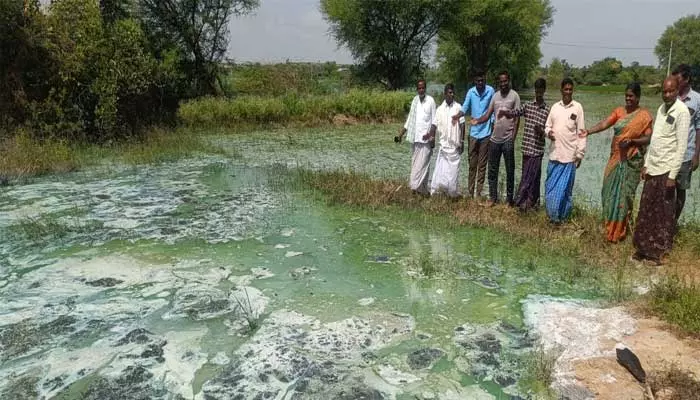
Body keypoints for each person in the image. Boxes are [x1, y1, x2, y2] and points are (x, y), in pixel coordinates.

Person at [579, 83, 653, 243]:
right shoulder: (619, 112)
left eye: (631, 96)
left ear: (638, 97)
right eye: (626, 95)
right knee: (607, 191)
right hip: (615, 158)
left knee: (625, 196)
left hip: (632, 161)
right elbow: (605, 123)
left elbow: (648, 138)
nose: (628, 98)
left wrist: (632, 141)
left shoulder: (645, 116)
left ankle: (620, 232)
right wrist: (588, 131)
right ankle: (608, 228)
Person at [633, 77, 690, 265]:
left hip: (667, 169)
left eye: (671, 91)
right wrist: (646, 163)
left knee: (663, 213)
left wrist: (673, 176)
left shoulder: (682, 112)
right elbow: (655, 138)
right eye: (664, 92)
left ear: (677, 90)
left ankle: (659, 254)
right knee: (646, 208)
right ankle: (643, 249)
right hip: (654, 166)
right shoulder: (661, 109)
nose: (667, 95)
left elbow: (681, 146)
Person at [471, 70, 521, 206]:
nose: (503, 84)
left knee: (510, 170)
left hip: (507, 140)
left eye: (505, 81)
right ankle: (493, 198)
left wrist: (513, 137)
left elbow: (517, 119)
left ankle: (509, 200)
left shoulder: (514, 96)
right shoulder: (495, 96)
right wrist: (478, 120)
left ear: (508, 81)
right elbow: (487, 115)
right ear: (498, 82)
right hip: (494, 139)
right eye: (501, 81)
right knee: (492, 170)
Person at [544, 78, 586, 224]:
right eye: (565, 89)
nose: (568, 92)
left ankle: (561, 219)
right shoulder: (555, 107)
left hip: (569, 157)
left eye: (570, 89)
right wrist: (548, 133)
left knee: (565, 191)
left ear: (572, 90)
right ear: (561, 90)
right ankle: (552, 217)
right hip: (555, 154)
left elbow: (581, 132)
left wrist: (580, 154)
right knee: (550, 187)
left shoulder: (577, 108)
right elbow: (547, 126)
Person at [506, 78, 550, 212]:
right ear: (534, 90)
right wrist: (505, 112)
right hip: (526, 148)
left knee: (534, 178)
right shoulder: (528, 106)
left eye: (541, 91)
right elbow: (516, 112)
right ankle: (522, 201)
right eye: (537, 90)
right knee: (526, 175)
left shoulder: (548, 110)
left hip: (537, 150)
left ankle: (531, 202)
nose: (538, 93)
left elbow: (548, 132)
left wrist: (541, 131)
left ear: (544, 91)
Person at [451, 71, 495, 199]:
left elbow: (492, 111)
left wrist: (492, 125)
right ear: (474, 81)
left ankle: (479, 193)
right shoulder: (471, 92)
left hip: (486, 134)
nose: (480, 83)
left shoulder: (490, 91)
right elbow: (465, 106)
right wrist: (458, 115)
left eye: (482, 80)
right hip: (474, 134)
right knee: (472, 165)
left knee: (482, 166)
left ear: (485, 80)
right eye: (477, 81)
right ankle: (470, 193)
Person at [423, 84, 465, 196]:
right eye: (450, 92)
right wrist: (431, 137)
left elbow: (462, 125)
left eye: (453, 92)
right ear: (445, 94)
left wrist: (462, 141)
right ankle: (438, 193)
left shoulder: (458, 108)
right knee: (440, 173)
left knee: (453, 173)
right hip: (443, 146)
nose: (452, 94)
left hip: (454, 146)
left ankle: (452, 195)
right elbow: (434, 125)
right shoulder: (439, 109)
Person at [396, 79, 437, 194]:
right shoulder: (415, 100)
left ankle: (414, 187)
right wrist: (401, 134)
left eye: (423, 87)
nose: (421, 90)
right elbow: (409, 120)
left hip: (426, 140)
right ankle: (422, 191)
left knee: (423, 166)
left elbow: (434, 121)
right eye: (419, 88)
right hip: (415, 139)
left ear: (426, 88)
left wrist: (432, 137)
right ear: (417, 89)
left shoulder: (431, 101)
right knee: (416, 165)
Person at [671, 64, 700, 221]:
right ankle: (664, 222)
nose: (675, 83)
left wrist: (696, 155)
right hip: (668, 152)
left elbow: (699, 128)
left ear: (687, 79)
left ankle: (674, 222)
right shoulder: (671, 96)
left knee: (680, 189)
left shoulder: (697, 100)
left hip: (686, 154)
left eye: (678, 80)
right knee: (665, 188)